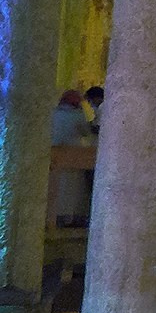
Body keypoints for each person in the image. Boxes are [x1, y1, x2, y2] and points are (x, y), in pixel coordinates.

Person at [48, 92, 85, 227]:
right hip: (73, 153)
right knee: (71, 189)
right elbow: (86, 132)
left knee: (54, 188)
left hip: (54, 151)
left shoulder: (54, 113)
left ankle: (52, 217)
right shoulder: (78, 115)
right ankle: (68, 218)